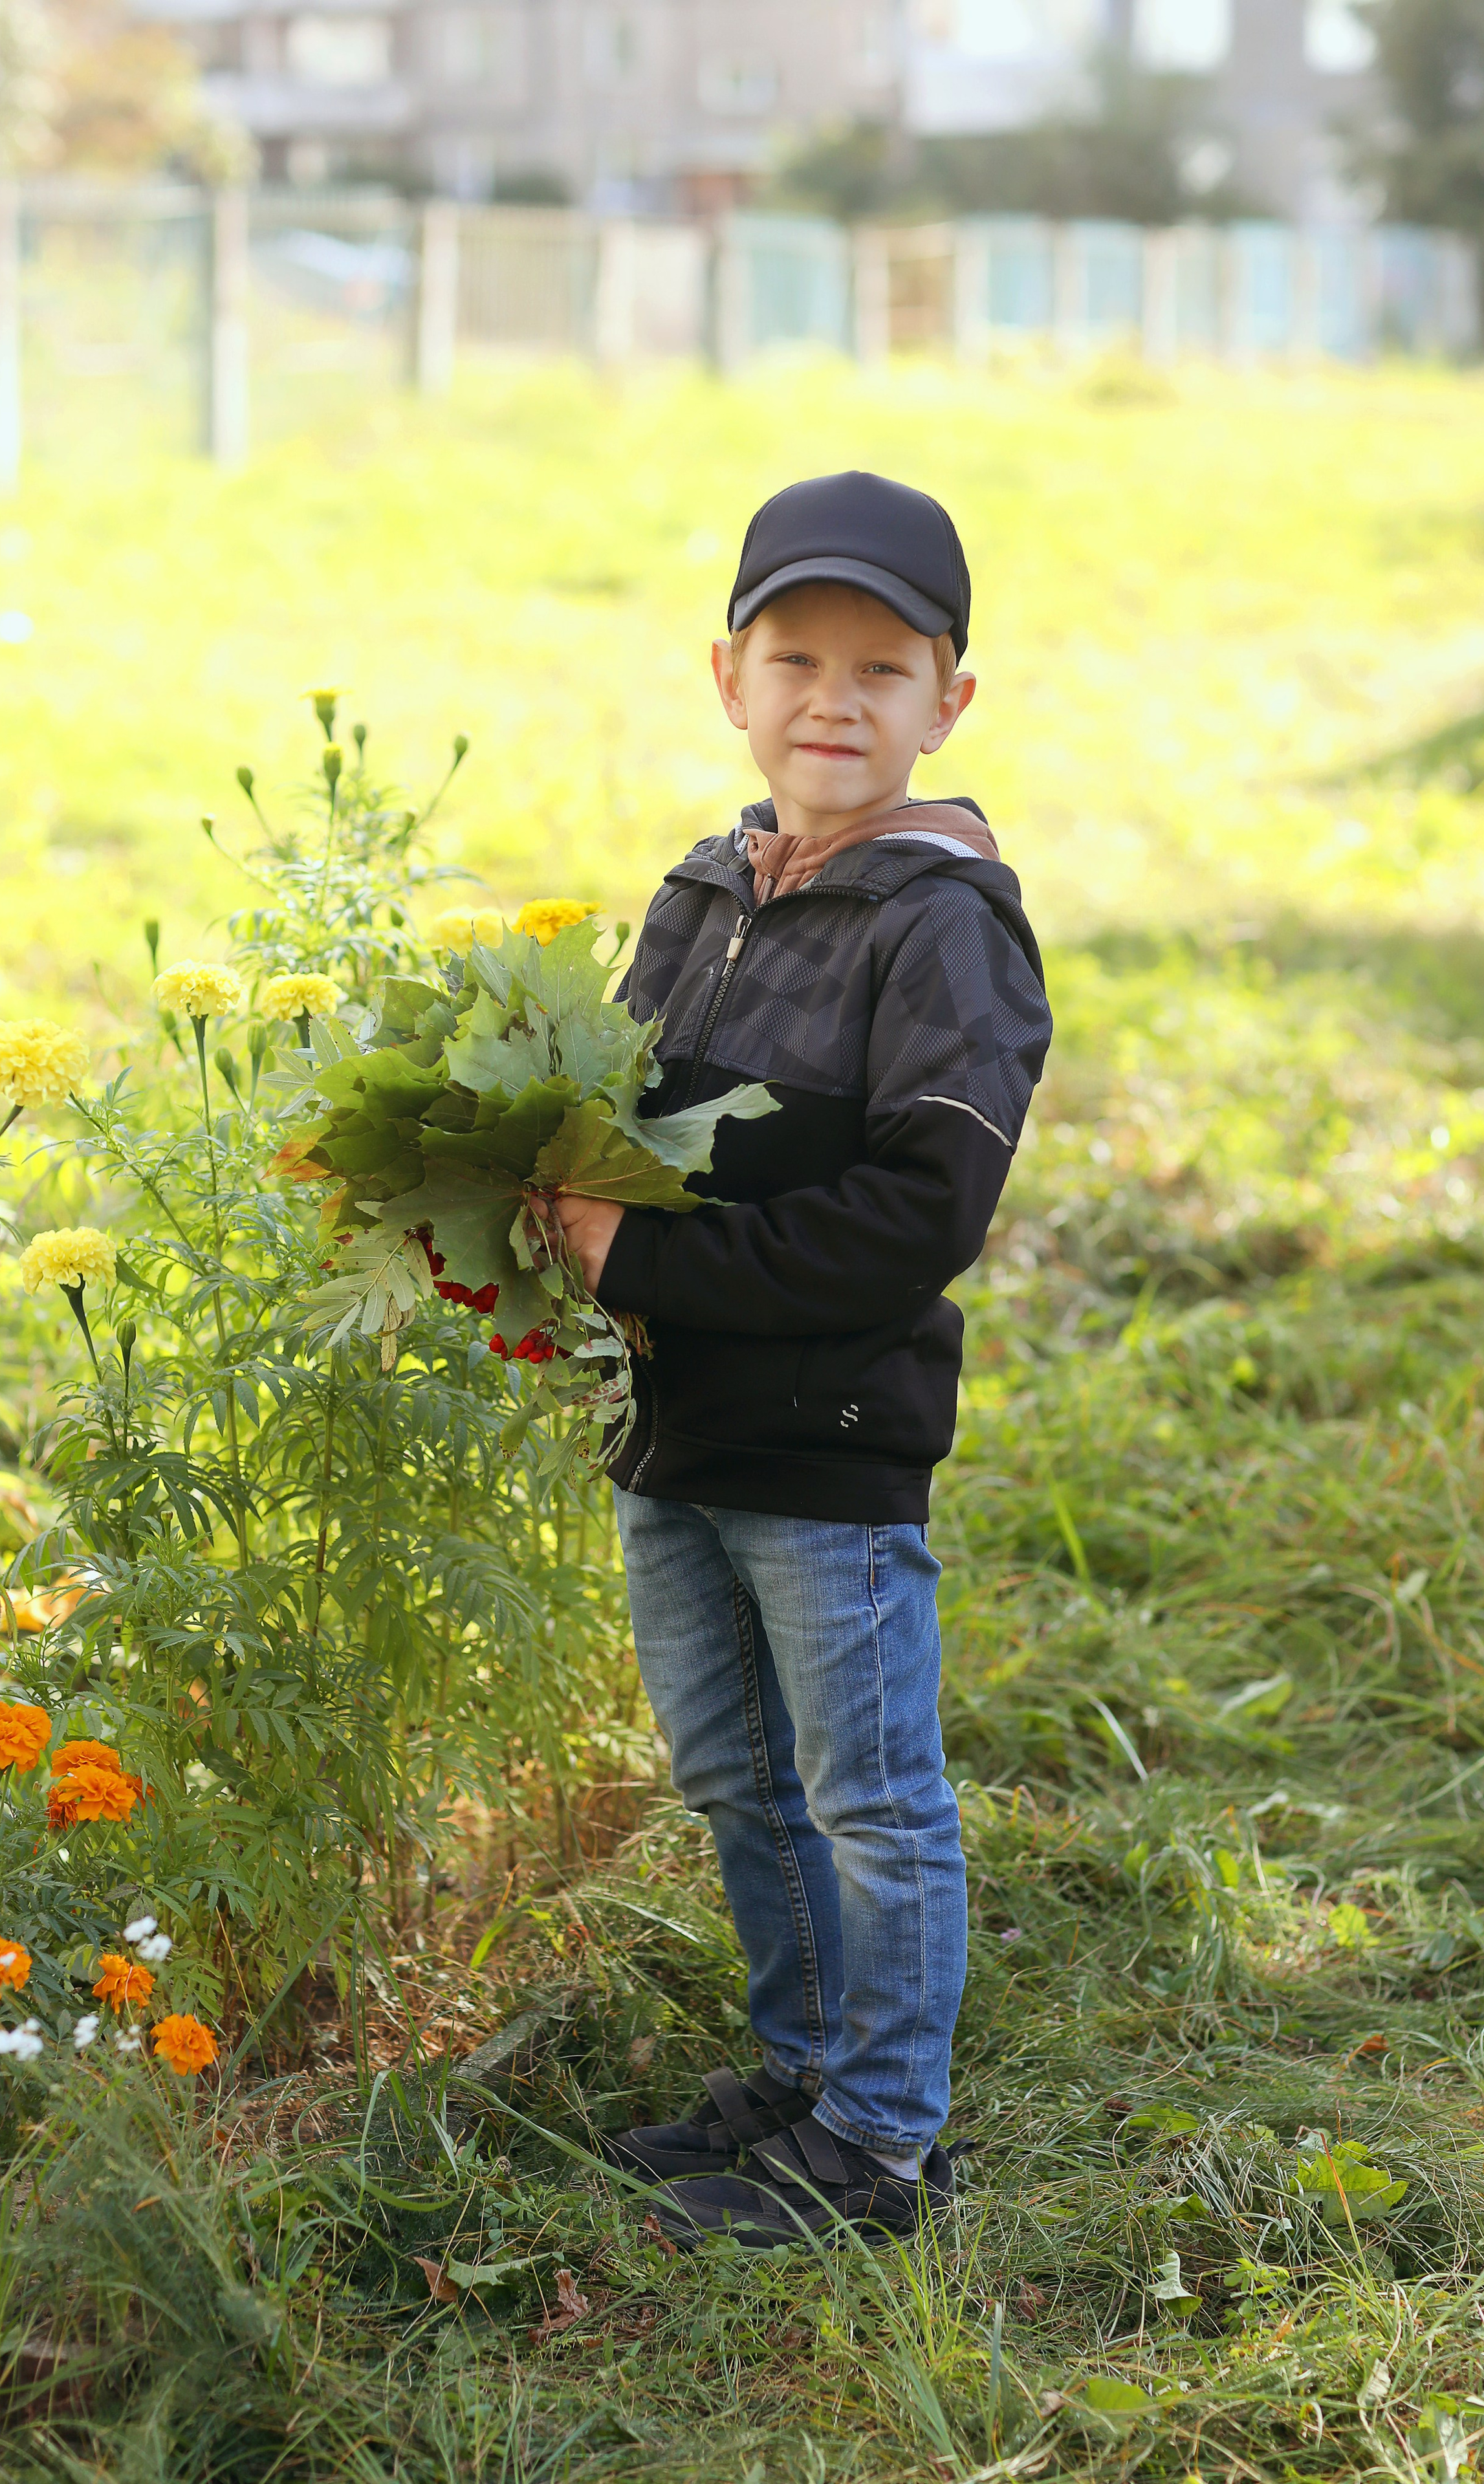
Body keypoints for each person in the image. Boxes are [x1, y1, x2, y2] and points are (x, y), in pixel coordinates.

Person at [554, 470, 1053, 2250]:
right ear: (730, 681)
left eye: (882, 669)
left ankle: (881, 2148)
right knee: (735, 1774)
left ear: (947, 703)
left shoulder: (945, 925)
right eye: (796, 660)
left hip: (830, 1439)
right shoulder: (703, 890)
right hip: (679, 1424)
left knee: (869, 1799)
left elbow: (923, 1210)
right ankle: (806, 2068)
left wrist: (648, 1263)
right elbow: (611, 1124)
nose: (834, 701)